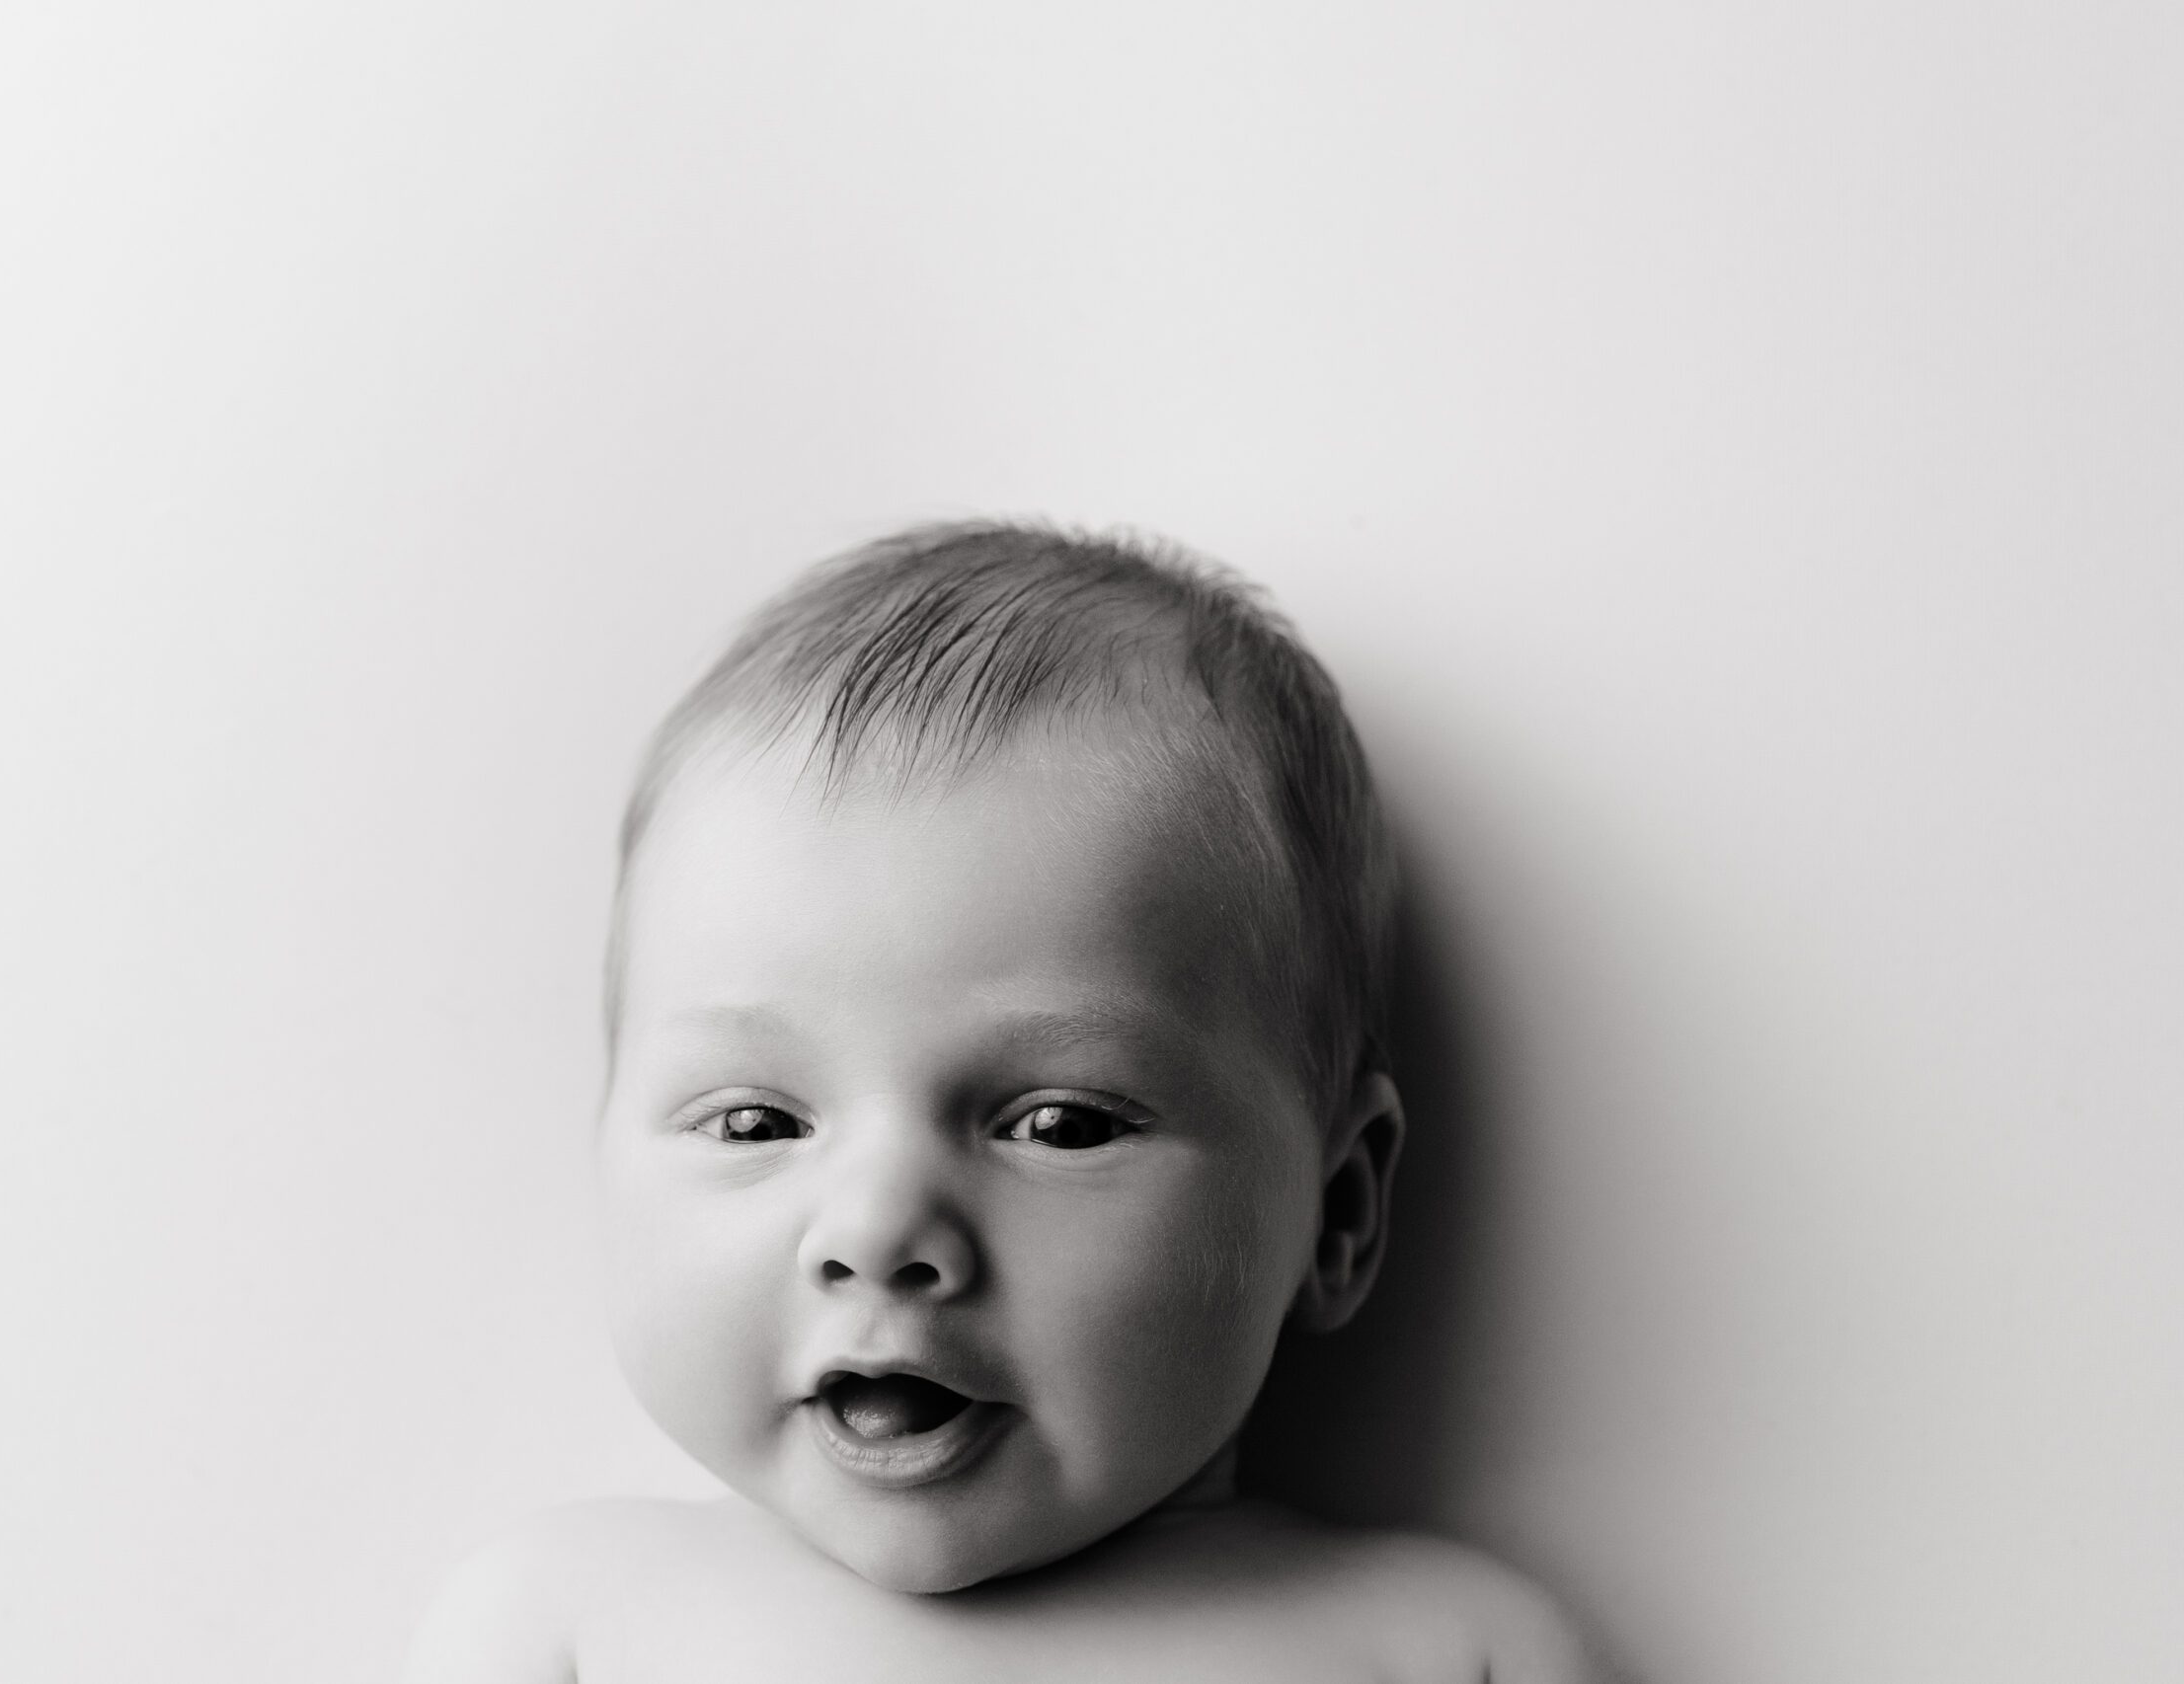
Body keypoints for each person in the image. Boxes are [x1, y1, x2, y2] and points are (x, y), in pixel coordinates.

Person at [405, 521, 1595, 1681]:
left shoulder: (1449, 1648)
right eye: (757, 1122)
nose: (878, 1228)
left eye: (1060, 1125)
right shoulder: (568, 1623)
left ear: (1336, 1211)